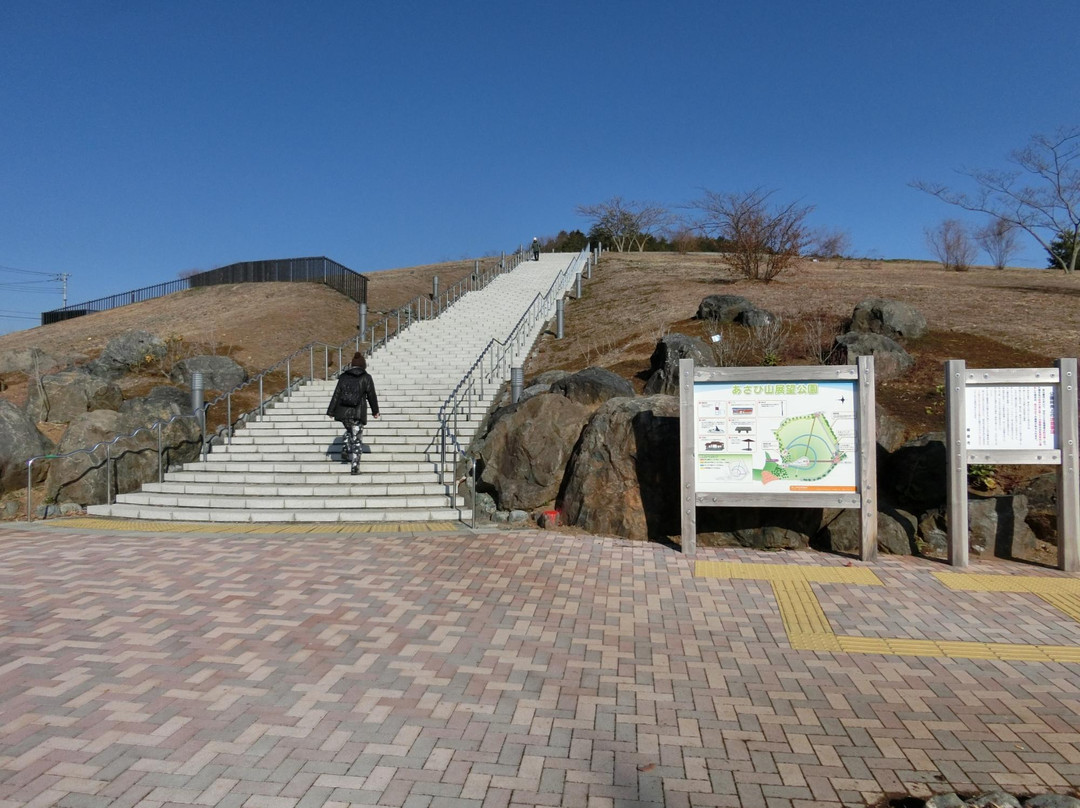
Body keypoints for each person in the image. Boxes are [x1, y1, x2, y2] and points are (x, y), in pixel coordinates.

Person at [326, 352, 380, 475]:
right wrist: (375, 411)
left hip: (343, 412)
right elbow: (371, 395)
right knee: (357, 439)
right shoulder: (366, 377)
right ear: (363, 365)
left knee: (350, 431)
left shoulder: (344, 377)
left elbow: (337, 394)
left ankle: (345, 441)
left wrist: (331, 411)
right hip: (357, 412)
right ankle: (355, 466)